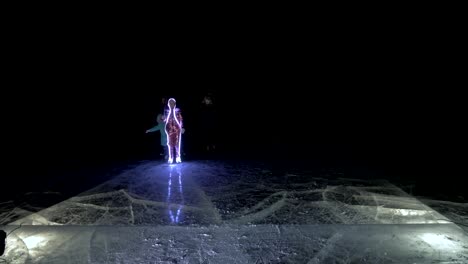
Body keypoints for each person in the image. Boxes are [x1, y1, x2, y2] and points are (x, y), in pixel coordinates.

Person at [164, 98, 184, 163]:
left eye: (172, 103)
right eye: (170, 103)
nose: (171, 104)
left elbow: (180, 119)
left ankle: (178, 157)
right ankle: (170, 158)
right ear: (168, 104)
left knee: (177, 144)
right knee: (170, 144)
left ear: (175, 104)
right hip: (169, 130)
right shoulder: (166, 111)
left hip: (177, 129)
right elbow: (165, 120)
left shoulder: (178, 110)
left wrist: (181, 127)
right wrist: (164, 119)